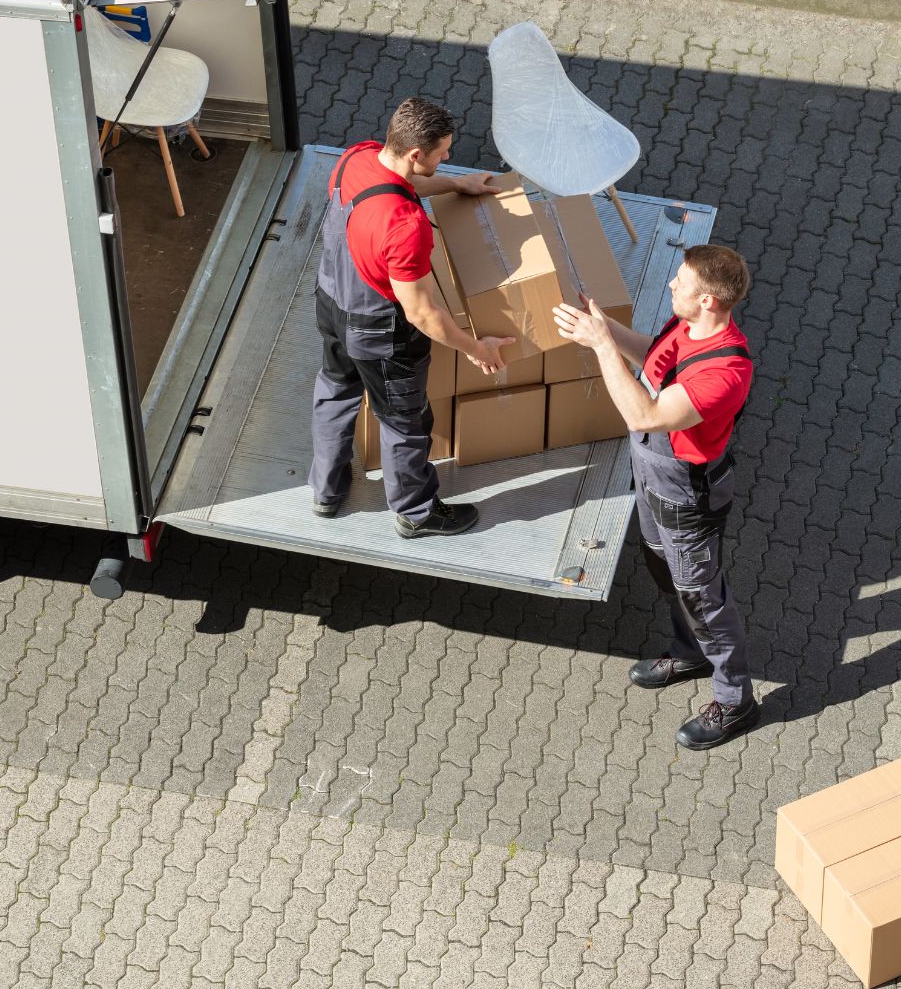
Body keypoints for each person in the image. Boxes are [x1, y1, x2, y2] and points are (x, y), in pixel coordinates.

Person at [552, 246, 758, 749]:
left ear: (708, 300)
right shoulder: (685, 326)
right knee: (663, 570)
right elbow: (655, 362)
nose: (670, 285)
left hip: (685, 495)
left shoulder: (725, 373)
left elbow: (645, 415)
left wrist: (602, 347)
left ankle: (735, 700)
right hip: (651, 478)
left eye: (681, 281)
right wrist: (607, 328)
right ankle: (690, 653)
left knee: (702, 597)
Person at [308, 98, 515, 538]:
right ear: (416, 154)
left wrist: (457, 184)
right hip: (378, 332)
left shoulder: (356, 157)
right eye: (443, 153)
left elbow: (393, 186)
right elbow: (422, 313)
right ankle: (416, 512)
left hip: (331, 301)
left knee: (335, 391)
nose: (448, 158)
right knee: (405, 422)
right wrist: (477, 349)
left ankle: (325, 492)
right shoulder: (405, 227)